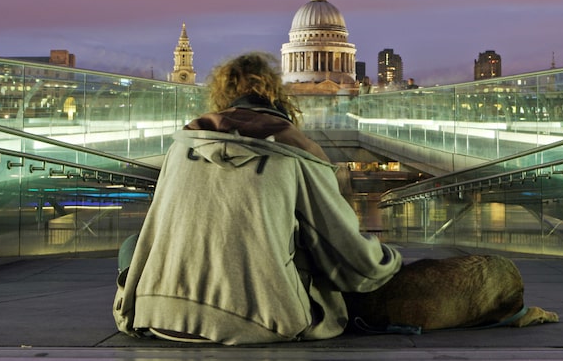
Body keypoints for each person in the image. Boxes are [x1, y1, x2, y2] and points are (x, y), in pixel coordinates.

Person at [113, 52, 401, 345]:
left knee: (132, 244)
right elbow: (346, 253)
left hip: (159, 317)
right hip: (262, 321)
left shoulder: (180, 147)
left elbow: (154, 233)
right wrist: (390, 260)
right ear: (276, 95)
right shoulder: (298, 154)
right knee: (310, 243)